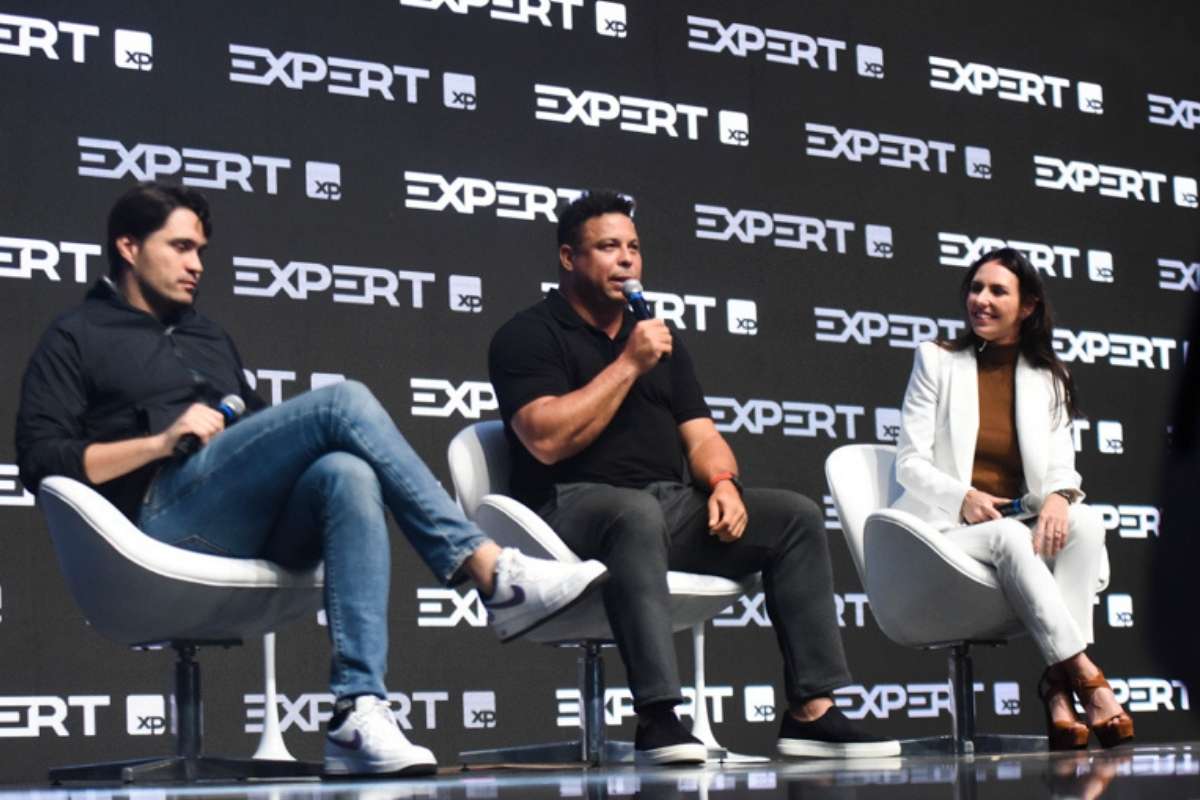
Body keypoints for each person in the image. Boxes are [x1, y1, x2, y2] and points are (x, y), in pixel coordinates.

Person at [14, 182, 608, 777]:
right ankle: (491, 572)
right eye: (180, 247)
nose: (197, 265)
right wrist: (160, 442)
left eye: (201, 251)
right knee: (342, 404)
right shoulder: (76, 336)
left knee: (345, 473)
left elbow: (259, 429)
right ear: (128, 246)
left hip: (238, 517)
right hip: (153, 522)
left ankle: (357, 710)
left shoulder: (208, 337)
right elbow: (41, 460)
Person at [487, 190, 899, 764]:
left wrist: (724, 482)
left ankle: (812, 712)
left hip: (665, 505)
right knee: (635, 514)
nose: (626, 259)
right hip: (565, 510)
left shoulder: (661, 339)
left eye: (633, 247)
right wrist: (629, 363)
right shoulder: (529, 334)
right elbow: (545, 440)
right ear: (568, 258)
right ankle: (658, 717)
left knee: (795, 517)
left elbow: (702, 436)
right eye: (608, 247)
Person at [892, 247, 1133, 749]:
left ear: (1027, 306)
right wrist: (962, 497)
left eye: (997, 291)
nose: (981, 299)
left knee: (1086, 523)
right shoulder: (937, 360)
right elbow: (909, 463)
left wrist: (1060, 497)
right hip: (947, 529)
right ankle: (1085, 676)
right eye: (976, 288)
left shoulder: (1048, 375)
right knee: (1006, 535)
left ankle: (1058, 692)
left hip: (1016, 522)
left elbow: (1062, 462)